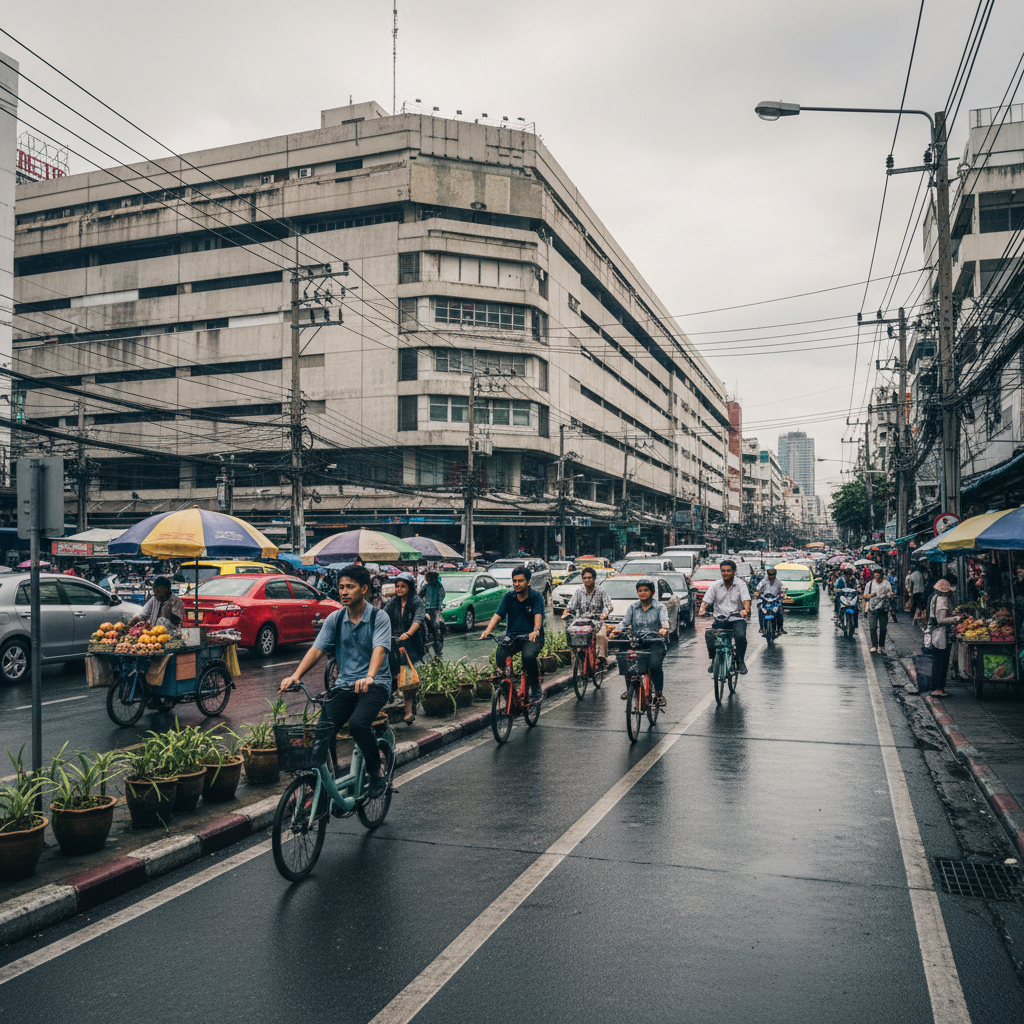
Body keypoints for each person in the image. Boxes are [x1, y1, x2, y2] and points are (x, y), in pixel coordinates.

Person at [279, 564, 392, 799]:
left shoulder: (378, 617)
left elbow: (379, 650)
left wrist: (370, 676)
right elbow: (317, 649)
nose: (344, 592)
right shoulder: (335, 618)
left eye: (350, 587)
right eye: (341, 587)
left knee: (359, 725)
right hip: (344, 685)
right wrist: (296, 675)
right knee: (322, 730)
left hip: (375, 683)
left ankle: (375, 771)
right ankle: (322, 781)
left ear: (364, 589)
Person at [480, 564, 545, 701]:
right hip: (512, 636)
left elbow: (538, 615)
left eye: (520, 581)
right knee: (500, 654)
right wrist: (488, 630)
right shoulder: (509, 597)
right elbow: (498, 614)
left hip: (531, 637)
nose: (516, 584)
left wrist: (536, 630)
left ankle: (535, 687)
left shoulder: (536, 597)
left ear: (528, 581)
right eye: (514, 581)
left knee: (527, 658)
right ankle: (507, 687)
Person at [611, 577, 669, 706]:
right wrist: (616, 630)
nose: (643, 593)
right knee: (627, 662)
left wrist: (664, 629)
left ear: (652, 592)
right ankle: (629, 688)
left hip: (655, 642)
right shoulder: (633, 607)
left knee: (654, 666)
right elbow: (625, 622)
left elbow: (665, 622)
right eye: (640, 590)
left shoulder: (660, 607)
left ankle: (659, 694)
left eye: (646, 590)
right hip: (637, 642)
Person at [384, 571, 426, 725]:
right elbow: (383, 617)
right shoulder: (392, 603)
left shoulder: (416, 602)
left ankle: (408, 710)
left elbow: (418, 620)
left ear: (410, 587)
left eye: (402, 586)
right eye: (397, 586)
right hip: (393, 643)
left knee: (408, 678)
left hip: (411, 644)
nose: (399, 589)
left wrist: (408, 634)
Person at [699, 559, 751, 674]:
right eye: (723, 571)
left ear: (734, 572)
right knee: (710, 636)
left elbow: (746, 600)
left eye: (728, 571)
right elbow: (706, 600)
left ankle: (740, 661)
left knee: (740, 636)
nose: (725, 573)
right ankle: (714, 660)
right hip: (720, 619)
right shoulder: (716, 585)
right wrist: (702, 609)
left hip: (737, 619)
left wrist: (745, 610)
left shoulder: (740, 584)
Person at [916, 578, 962, 697]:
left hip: (935, 633)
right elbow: (941, 619)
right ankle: (938, 688)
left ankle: (936, 687)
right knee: (941, 662)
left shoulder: (934, 597)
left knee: (937, 661)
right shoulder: (942, 600)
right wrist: (956, 619)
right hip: (940, 634)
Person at [561, 565, 612, 664]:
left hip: (597, 621)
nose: (587, 580)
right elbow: (571, 605)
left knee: (601, 637)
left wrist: (605, 614)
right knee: (570, 633)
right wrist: (566, 611)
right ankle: (576, 656)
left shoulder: (601, 591)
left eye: (589, 578)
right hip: (581, 621)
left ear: (594, 579)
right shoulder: (579, 591)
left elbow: (608, 606)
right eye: (584, 578)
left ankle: (601, 659)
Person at [863, 567, 893, 654]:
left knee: (883, 628)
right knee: (873, 627)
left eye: (878, 574)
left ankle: (882, 645)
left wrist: (890, 595)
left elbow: (890, 593)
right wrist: (870, 595)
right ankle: (874, 645)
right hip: (872, 609)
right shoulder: (870, 584)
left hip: (883, 609)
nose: (876, 576)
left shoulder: (886, 584)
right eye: (875, 574)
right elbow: (865, 595)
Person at [753, 566, 786, 636]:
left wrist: (782, 594)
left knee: (780, 611)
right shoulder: (763, 581)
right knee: (760, 610)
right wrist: (757, 593)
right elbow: (758, 589)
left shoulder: (778, 582)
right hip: (764, 600)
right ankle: (762, 627)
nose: (771, 577)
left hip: (775, 600)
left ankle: (780, 628)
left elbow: (782, 590)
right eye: (770, 575)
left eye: (773, 575)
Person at [420, 570, 446, 650]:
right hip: (435, 608)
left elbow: (419, 595)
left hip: (431, 608)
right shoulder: (439, 586)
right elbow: (442, 595)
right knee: (436, 625)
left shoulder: (427, 586)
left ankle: (436, 640)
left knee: (433, 625)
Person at [833, 568, 861, 633]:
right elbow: (835, 589)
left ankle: (855, 622)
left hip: (851, 598)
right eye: (847, 574)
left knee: (856, 609)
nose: (849, 576)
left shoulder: (854, 580)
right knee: (836, 601)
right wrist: (839, 590)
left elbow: (858, 588)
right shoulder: (840, 580)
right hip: (842, 597)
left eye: (850, 574)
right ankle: (838, 616)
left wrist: (858, 590)